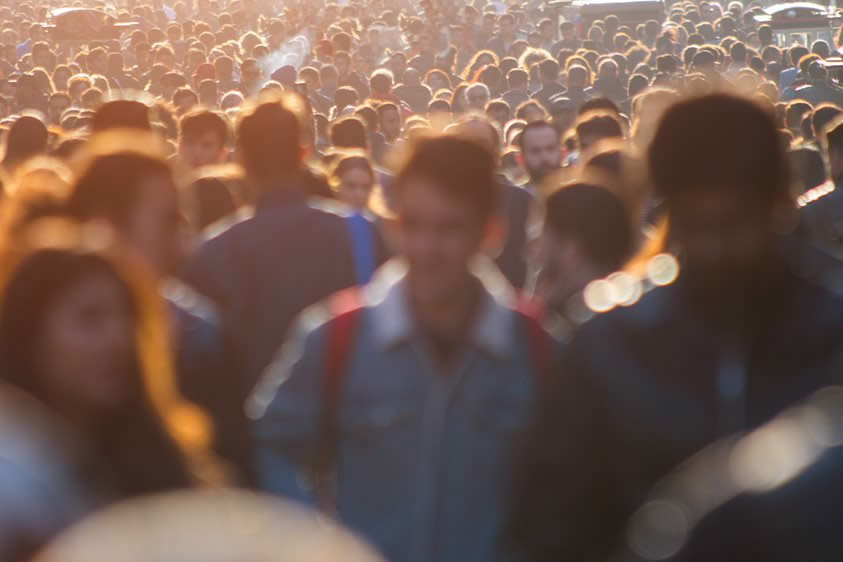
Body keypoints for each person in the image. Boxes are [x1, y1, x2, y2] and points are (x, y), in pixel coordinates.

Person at [508, 93, 843, 562]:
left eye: (736, 224)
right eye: (698, 226)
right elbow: (553, 525)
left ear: (775, 203)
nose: (718, 248)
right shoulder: (611, 349)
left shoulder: (832, 331)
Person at [250, 134, 556, 562]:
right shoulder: (338, 336)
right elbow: (268, 447)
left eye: (448, 229)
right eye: (413, 225)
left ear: (490, 232)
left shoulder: (536, 348)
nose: (426, 249)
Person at [0, 220, 221, 561]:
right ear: (29, 335)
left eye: (126, 317)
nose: (118, 339)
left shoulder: (149, 453)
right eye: (90, 318)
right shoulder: (14, 476)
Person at [185, 92, 357, 391]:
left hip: (248, 421)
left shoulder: (213, 251)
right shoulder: (361, 233)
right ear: (303, 154)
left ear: (241, 161)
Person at [532, 179, 635, 324]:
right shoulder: (646, 321)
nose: (536, 255)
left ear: (572, 250)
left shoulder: (571, 338)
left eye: (543, 238)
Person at [329, 152, 390, 284]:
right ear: (336, 186)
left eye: (365, 187)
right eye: (351, 186)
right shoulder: (322, 228)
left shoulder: (381, 231)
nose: (359, 194)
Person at [517, 120, 562, 196]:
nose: (544, 158)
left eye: (550, 149)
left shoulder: (580, 199)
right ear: (521, 159)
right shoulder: (513, 203)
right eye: (535, 151)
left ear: (563, 153)